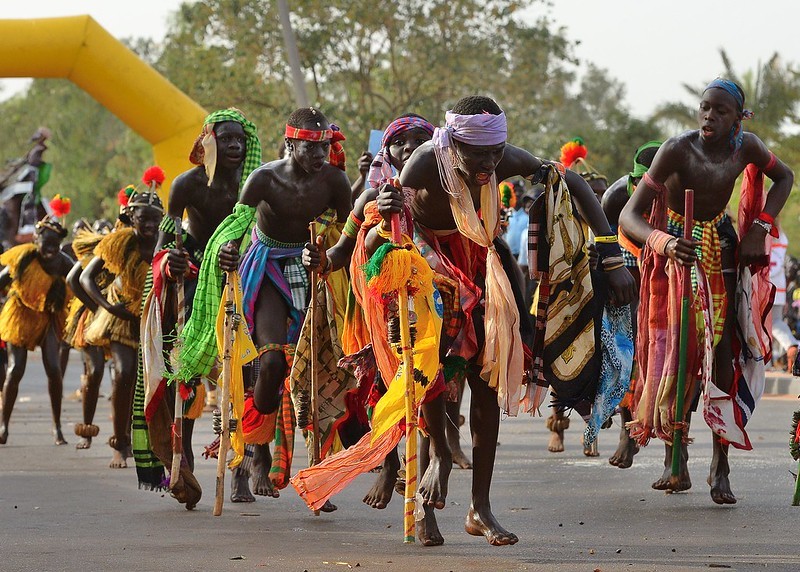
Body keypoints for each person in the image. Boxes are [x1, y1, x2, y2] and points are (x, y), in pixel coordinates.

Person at [299, 96, 635, 546]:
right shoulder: (422, 164)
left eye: (496, 154)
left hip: (480, 267)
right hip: (425, 267)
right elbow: (369, 212)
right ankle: (435, 462)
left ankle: (479, 508)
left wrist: (610, 249)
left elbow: (566, 180)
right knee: (428, 372)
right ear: (454, 142)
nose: (489, 164)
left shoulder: (503, 159)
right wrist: (332, 254)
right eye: (478, 154)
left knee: (487, 382)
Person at [619, 79, 794, 504]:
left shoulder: (746, 147)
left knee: (721, 349)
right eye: (704, 109)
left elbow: (783, 177)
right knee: (673, 351)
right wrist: (663, 242)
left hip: (720, 245)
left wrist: (759, 226)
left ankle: (720, 462)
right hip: (674, 251)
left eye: (720, 111)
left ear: (739, 118)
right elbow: (629, 215)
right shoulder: (677, 149)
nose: (709, 117)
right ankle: (673, 458)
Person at [302, 114, 449, 512]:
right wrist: (317, 258)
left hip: (429, 305)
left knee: (424, 384)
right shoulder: (370, 199)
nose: (410, 147)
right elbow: (341, 254)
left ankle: (436, 468)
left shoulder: (443, 194)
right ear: (388, 151)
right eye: (401, 141)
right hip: (378, 310)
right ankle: (387, 464)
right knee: (382, 389)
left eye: (420, 140)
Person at [138, 108, 263, 507]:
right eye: (225, 138)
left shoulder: (255, 184)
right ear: (206, 142)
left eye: (240, 140)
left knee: (245, 368)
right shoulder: (186, 185)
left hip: (242, 267)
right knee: (186, 368)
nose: (234, 146)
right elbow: (165, 243)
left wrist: (240, 255)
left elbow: (268, 229)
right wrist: (170, 263)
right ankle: (184, 459)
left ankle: (242, 466)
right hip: (193, 274)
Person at [81, 178, 163, 468]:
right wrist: (106, 308)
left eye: (156, 219)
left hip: (152, 320)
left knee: (150, 381)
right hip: (120, 319)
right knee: (124, 372)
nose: (150, 225)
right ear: (131, 217)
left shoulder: (166, 243)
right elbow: (83, 278)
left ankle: (150, 441)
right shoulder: (120, 242)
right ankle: (120, 443)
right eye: (144, 219)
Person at [600, 140, 661, 469]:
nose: (644, 192)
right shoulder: (615, 198)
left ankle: (671, 443)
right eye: (640, 184)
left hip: (667, 269)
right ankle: (627, 430)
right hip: (626, 270)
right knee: (625, 352)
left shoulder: (679, 199)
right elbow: (603, 244)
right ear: (634, 182)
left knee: (665, 355)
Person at [0, 213, 73, 445]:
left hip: (49, 317)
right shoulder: (24, 258)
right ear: (36, 240)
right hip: (20, 315)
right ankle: (3, 425)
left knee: (53, 367)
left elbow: (79, 282)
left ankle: (57, 426)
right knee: (15, 369)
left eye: (55, 244)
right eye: (46, 244)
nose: (50, 249)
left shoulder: (63, 262)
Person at [768, 219, 799, 370]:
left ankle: (792, 345)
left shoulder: (763, 233)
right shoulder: (782, 236)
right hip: (778, 285)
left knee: (767, 325)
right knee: (775, 322)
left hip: (766, 284)